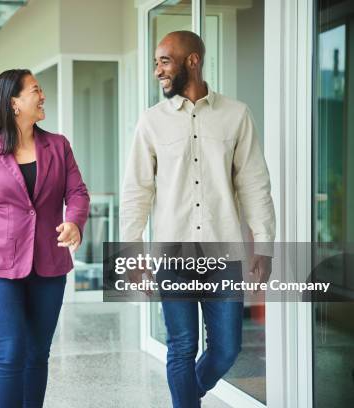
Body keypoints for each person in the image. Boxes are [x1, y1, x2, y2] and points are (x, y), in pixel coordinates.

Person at [120, 31, 276, 408]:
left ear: (192, 60)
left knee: (227, 348)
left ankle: (189, 394)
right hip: (172, 253)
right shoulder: (151, 122)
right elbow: (137, 189)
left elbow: (255, 183)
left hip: (223, 253)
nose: (157, 69)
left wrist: (265, 245)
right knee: (182, 345)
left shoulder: (236, 115)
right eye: (155, 62)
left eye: (164, 60)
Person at [0, 69, 90, 408]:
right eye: (36, 90)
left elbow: (78, 192)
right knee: (10, 352)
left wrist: (74, 222)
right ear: (14, 102)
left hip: (49, 265)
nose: (43, 97)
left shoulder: (58, 145)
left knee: (38, 352)